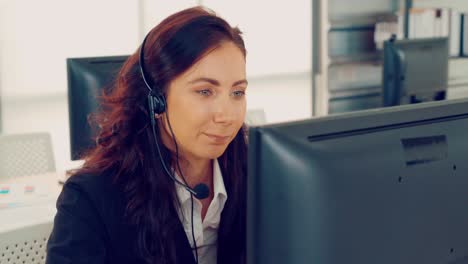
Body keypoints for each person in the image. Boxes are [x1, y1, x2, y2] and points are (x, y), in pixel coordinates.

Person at [46, 6, 248, 264]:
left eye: (237, 93)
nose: (226, 115)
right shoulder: (91, 198)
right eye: (205, 92)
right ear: (156, 100)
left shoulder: (257, 175)